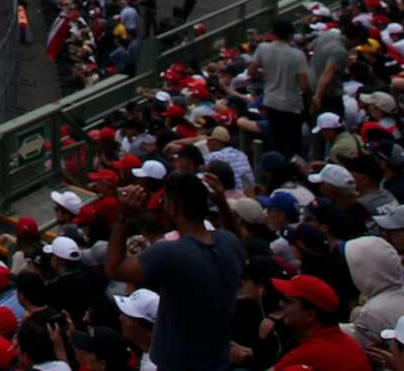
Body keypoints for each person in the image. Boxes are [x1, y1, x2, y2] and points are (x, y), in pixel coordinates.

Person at [104, 174, 242, 371]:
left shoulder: (171, 252)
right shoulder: (229, 243)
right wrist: (222, 204)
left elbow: (114, 269)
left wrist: (124, 216)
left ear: (174, 208)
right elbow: (236, 239)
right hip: (219, 361)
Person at [272, 273, 368, 371]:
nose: (281, 304)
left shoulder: (309, 354)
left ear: (310, 315)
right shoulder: (346, 342)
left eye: (287, 301)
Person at [251, 19, 311, 158]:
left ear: (274, 33)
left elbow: (251, 71)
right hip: (291, 105)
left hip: (271, 102)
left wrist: (267, 75)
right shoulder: (297, 54)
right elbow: (304, 85)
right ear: (290, 35)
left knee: (276, 141)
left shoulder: (263, 48)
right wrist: (310, 99)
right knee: (293, 144)